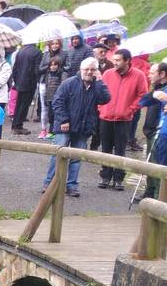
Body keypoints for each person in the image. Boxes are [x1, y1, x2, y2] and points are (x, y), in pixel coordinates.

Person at [44, 57, 109, 198]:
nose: (89, 72)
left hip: (84, 127)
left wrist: (100, 81)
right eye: (86, 69)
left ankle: (71, 185)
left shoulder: (96, 86)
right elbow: (57, 102)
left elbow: (105, 99)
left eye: (93, 69)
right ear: (81, 69)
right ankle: (49, 183)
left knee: (76, 158)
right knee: (58, 155)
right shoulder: (69, 83)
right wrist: (64, 120)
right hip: (64, 126)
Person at [97, 48, 148, 191]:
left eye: (118, 60)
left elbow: (142, 95)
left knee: (120, 149)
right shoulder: (107, 74)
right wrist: (101, 107)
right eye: (114, 59)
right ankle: (105, 176)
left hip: (124, 119)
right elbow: (99, 90)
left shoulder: (138, 75)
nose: (115, 62)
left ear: (127, 61)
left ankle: (119, 179)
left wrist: (130, 109)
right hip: (106, 117)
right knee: (106, 148)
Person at [9, 41, 41, 135]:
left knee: (19, 104)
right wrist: (38, 78)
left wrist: (16, 80)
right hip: (30, 82)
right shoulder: (37, 52)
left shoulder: (21, 51)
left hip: (19, 81)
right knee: (24, 105)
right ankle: (18, 126)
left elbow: (15, 68)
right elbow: (37, 70)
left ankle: (15, 124)